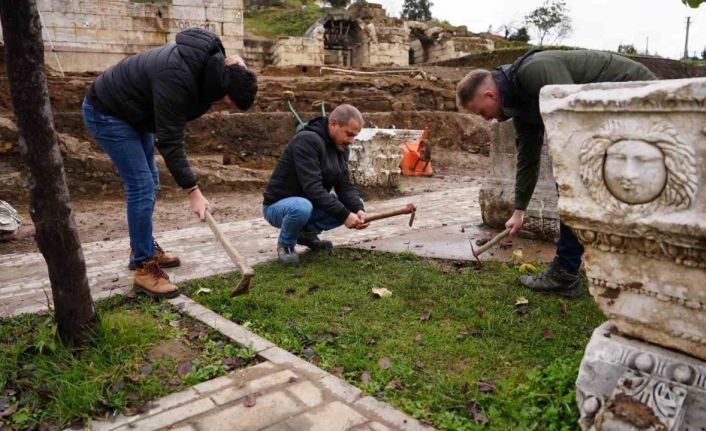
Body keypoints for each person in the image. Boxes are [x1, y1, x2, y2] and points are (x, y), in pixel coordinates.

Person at [456, 49, 656, 297]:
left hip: (634, 92)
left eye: (481, 112)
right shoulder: (520, 101)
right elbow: (528, 156)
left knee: (579, 184)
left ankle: (568, 272)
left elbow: (571, 116)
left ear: (490, 94)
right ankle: (581, 270)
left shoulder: (535, 71)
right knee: (580, 186)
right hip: (611, 111)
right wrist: (519, 211)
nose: (485, 119)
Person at [82, 28, 258, 298]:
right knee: (140, 184)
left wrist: (239, 73)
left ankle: (142, 247)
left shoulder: (214, 67)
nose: (224, 106)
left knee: (150, 179)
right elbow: (170, 142)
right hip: (108, 111)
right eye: (227, 101)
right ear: (224, 87)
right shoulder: (178, 79)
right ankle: (144, 269)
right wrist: (194, 192)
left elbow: (230, 62)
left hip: (135, 112)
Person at [263, 104, 369, 265]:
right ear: (333, 124)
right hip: (279, 206)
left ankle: (305, 234)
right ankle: (286, 245)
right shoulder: (307, 140)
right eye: (349, 134)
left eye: (355, 136)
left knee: (355, 203)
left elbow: (344, 186)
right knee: (301, 207)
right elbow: (313, 189)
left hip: (310, 204)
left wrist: (357, 210)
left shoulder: (341, 148)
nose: (352, 141)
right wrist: (345, 215)